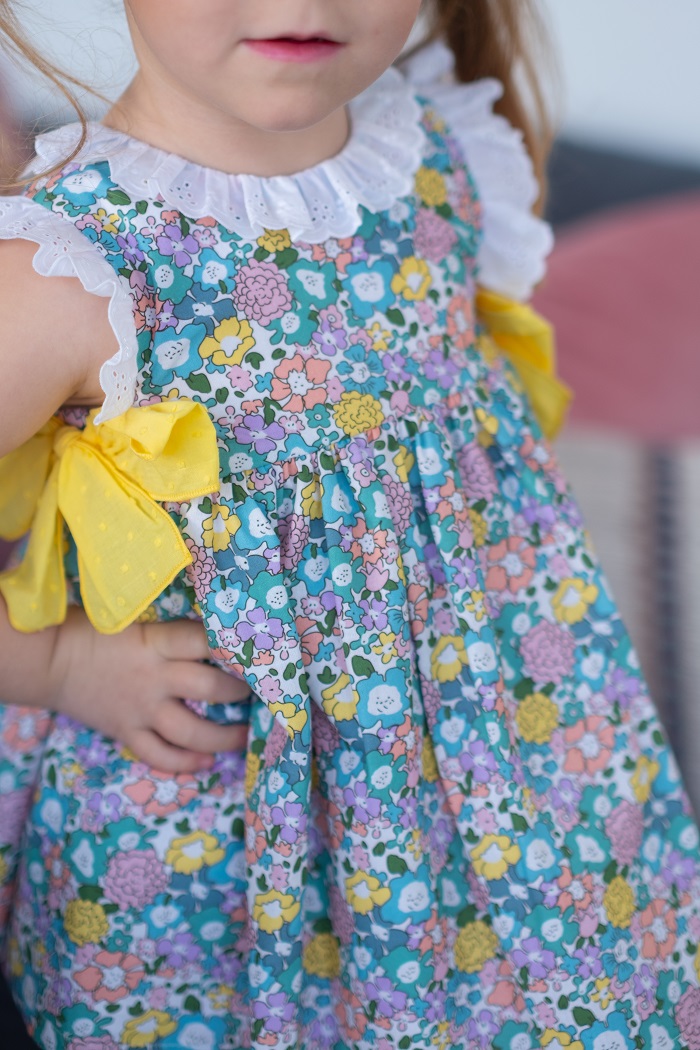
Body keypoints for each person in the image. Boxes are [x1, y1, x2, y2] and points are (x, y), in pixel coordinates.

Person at [0, 1, 698, 1047]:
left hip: (509, 726)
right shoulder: (69, 266)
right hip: (234, 809)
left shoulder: (435, 149)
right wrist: (57, 665)